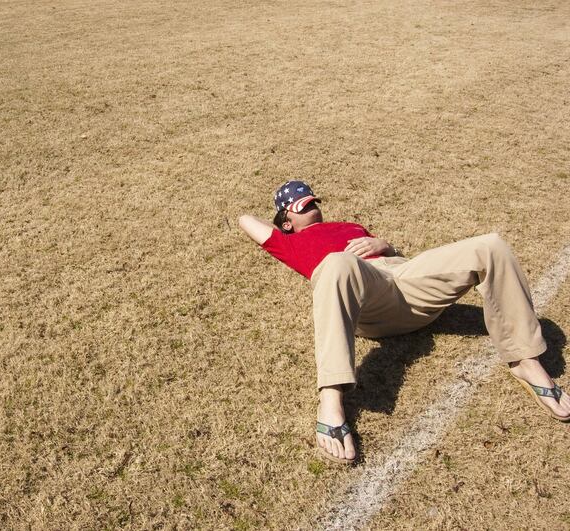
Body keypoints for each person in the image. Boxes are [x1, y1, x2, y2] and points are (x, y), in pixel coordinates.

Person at [238, 180, 570, 464]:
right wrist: (282, 219)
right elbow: (246, 220)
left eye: (313, 201)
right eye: (303, 205)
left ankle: (525, 360)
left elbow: (398, 258)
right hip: (368, 296)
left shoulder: (350, 226)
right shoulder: (289, 242)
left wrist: (385, 245)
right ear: (286, 221)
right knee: (336, 263)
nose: (312, 206)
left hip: (404, 277)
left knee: (491, 246)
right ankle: (331, 399)